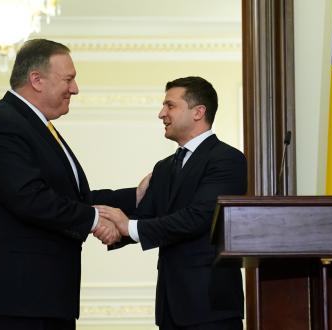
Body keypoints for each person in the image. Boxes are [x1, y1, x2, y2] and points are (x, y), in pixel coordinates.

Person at [0, 39, 141, 330]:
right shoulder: (2, 124)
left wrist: (135, 197)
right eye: (68, 79)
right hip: (12, 302)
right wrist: (95, 221)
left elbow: (68, 197)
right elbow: (31, 198)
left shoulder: (33, 124)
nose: (75, 88)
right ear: (36, 80)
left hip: (41, 299)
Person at [96, 76, 247, 330]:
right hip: (170, 307)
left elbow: (199, 218)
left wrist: (128, 227)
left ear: (198, 112)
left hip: (210, 306)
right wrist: (85, 207)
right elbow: (145, 211)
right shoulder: (165, 167)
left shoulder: (227, 159)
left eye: (170, 106)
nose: (161, 113)